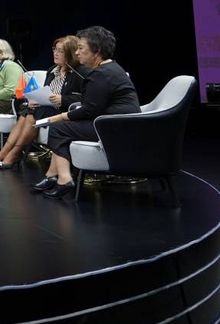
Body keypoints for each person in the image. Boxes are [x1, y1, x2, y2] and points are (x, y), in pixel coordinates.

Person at [31, 25, 140, 199]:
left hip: (113, 126)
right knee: (62, 126)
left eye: (81, 48)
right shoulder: (110, 69)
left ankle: (64, 179)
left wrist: (59, 116)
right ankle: (52, 175)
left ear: (97, 51)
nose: (77, 53)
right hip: (112, 122)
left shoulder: (100, 74)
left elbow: (89, 109)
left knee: (58, 129)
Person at [0, 35, 89, 169]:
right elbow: (45, 92)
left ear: (70, 53)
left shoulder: (79, 72)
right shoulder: (52, 70)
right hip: (46, 108)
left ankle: (14, 154)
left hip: (63, 111)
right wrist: (34, 99)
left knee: (33, 113)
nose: (56, 53)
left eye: (60, 51)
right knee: (27, 110)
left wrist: (62, 99)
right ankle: (3, 153)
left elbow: (86, 98)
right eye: (55, 49)